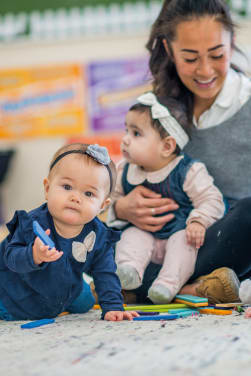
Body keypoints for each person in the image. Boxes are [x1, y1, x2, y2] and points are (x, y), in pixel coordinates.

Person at [107, 0, 251, 304]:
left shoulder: (246, 102)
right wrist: (121, 209)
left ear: (232, 43)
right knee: (96, 236)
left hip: (226, 239)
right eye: (190, 58)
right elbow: (119, 178)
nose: (205, 70)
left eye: (216, 55)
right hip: (164, 241)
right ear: (169, 50)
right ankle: (197, 288)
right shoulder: (156, 111)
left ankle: (163, 287)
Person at [107, 91, 225, 304]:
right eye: (126, 130)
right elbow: (106, 202)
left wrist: (198, 219)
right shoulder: (124, 170)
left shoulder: (188, 171)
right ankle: (128, 272)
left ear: (167, 146)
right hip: (144, 238)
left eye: (136, 133)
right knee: (131, 236)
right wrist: (119, 207)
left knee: (184, 244)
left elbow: (212, 200)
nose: (125, 140)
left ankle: (167, 285)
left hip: (178, 233)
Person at [0, 143, 138, 322]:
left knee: (85, 302)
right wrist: (33, 255)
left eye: (88, 193)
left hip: (65, 288)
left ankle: (87, 291)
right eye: (67, 187)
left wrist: (113, 307)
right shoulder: (31, 224)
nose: (75, 197)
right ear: (48, 189)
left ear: (102, 206)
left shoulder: (99, 235)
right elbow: (10, 257)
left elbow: (105, 271)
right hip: (16, 291)